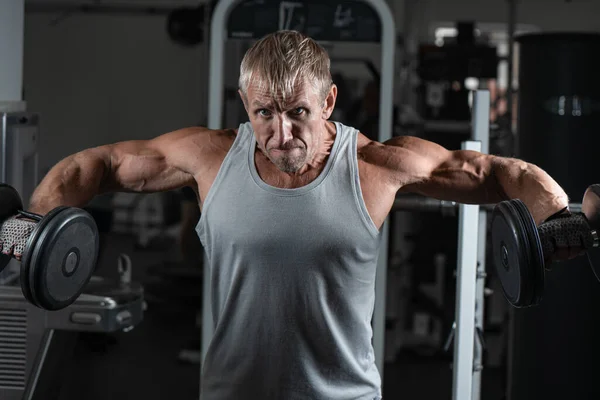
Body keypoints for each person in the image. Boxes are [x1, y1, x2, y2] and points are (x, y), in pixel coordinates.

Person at [23, 30, 581, 400]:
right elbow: (98, 164)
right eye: (264, 113)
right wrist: (31, 225)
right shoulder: (209, 157)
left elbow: (490, 170)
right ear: (246, 104)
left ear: (330, 102)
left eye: (298, 113)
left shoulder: (374, 164)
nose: (281, 133)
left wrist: (556, 216)